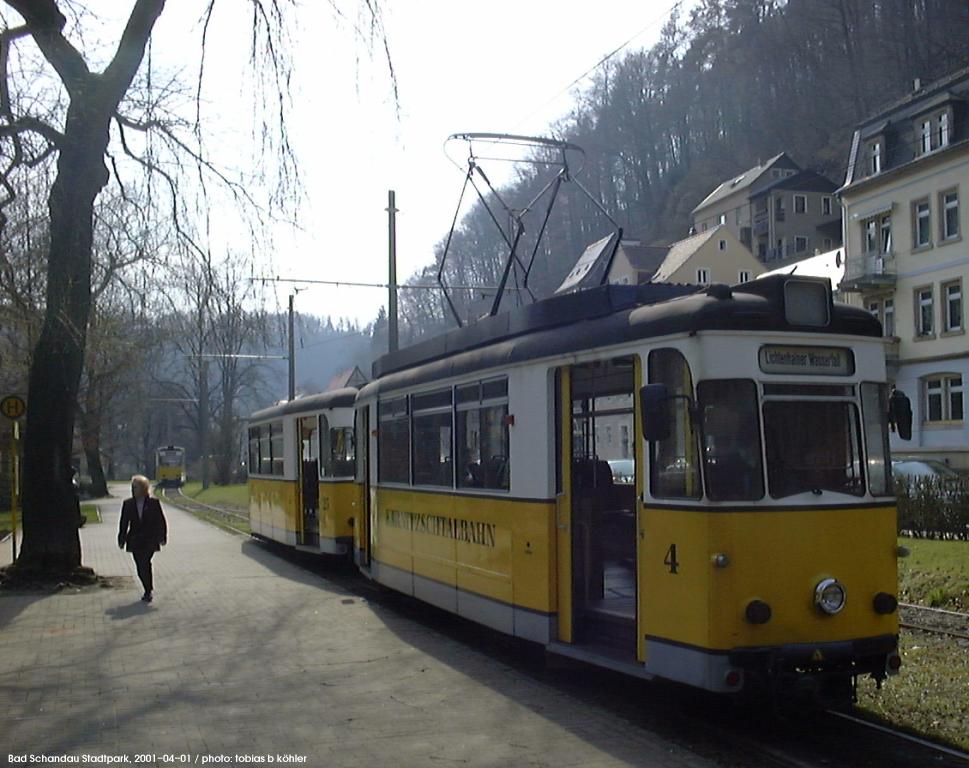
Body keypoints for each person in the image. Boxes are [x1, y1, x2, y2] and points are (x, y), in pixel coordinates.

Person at [118, 475, 168, 602]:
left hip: (149, 539)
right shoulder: (128, 504)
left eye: (136, 487)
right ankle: (147, 586)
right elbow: (124, 523)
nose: (133, 490)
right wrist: (121, 539)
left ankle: (148, 590)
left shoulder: (153, 503)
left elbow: (160, 521)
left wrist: (162, 537)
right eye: (132, 487)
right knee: (139, 566)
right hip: (135, 540)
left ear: (143, 488)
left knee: (145, 562)